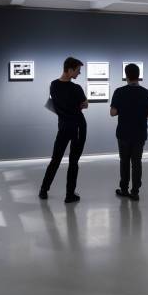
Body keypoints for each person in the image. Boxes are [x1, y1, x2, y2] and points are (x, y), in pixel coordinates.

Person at [39, 57, 88, 203]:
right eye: (78, 70)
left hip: (63, 126)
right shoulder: (76, 88)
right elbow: (85, 105)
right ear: (70, 70)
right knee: (74, 161)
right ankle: (69, 194)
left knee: (55, 159)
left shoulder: (53, 85)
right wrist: (78, 105)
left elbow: (56, 104)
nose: (79, 74)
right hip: (78, 126)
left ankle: (43, 190)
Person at [110, 63, 148, 201]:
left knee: (124, 161)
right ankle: (135, 191)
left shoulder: (119, 92)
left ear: (126, 76)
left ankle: (124, 189)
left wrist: (124, 110)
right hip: (140, 133)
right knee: (137, 162)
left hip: (123, 133)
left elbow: (113, 113)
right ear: (138, 75)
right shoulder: (147, 93)